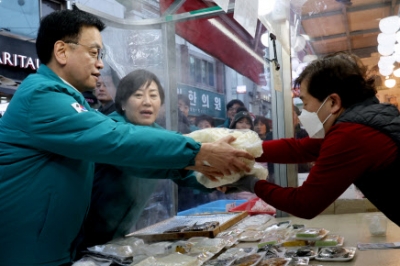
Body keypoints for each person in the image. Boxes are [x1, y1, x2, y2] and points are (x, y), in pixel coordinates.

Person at [0, 9, 253, 266]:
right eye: (93, 53)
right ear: (62, 51)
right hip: (28, 254)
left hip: (52, 250)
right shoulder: (41, 97)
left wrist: (206, 173)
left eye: (102, 55)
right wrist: (198, 152)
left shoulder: (68, 100)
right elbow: (116, 139)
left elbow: (141, 159)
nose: (100, 63)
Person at [225, 52, 400, 226]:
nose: (304, 113)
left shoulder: (351, 134)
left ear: (333, 102)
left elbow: (304, 203)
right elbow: (300, 148)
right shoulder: (361, 119)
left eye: (305, 103)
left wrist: (251, 183)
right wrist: (241, 151)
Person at [78, 69, 216, 253]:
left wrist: (219, 180)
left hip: (118, 235)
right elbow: (141, 161)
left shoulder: (159, 134)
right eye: (138, 95)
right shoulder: (112, 128)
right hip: (84, 235)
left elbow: (187, 174)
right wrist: (190, 158)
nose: (147, 102)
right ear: (123, 103)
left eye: (153, 95)